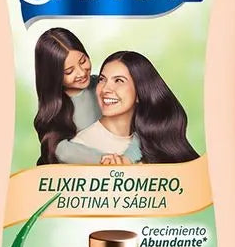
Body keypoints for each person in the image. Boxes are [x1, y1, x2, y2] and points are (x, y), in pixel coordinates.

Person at [33, 28, 142, 165]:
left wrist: (128, 157)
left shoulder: (104, 86)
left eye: (83, 61)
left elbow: (146, 123)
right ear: (53, 76)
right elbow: (61, 151)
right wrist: (106, 160)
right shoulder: (55, 110)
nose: (81, 73)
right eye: (69, 71)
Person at [70, 51, 199, 164]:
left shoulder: (154, 138)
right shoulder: (82, 146)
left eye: (118, 80)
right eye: (102, 79)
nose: (105, 89)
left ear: (139, 93)